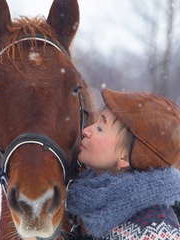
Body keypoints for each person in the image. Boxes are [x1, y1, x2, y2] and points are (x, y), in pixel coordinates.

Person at [67, 88, 180, 239]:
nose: (86, 130)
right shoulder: (93, 200)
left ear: (125, 158)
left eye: (100, 128)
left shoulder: (155, 230)